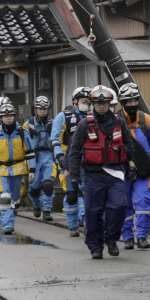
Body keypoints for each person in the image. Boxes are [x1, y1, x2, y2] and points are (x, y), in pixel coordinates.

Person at [67, 85, 139, 259]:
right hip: (93, 174)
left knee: (119, 206)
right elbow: (74, 151)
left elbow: (128, 144)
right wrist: (74, 176)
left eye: (104, 103)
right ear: (93, 104)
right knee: (93, 211)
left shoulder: (119, 123)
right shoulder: (85, 125)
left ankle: (112, 239)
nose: (101, 106)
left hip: (116, 172)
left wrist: (131, 165)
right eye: (98, 103)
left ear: (109, 104)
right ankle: (95, 247)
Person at [118, 83, 150, 250]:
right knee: (124, 204)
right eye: (128, 101)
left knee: (143, 202)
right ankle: (127, 237)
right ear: (122, 102)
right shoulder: (115, 120)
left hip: (143, 170)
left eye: (134, 100)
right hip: (122, 170)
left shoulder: (147, 120)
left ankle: (141, 237)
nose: (132, 104)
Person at [0, 102, 35, 235]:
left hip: (18, 170)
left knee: (15, 199)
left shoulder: (22, 132)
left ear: (14, 116)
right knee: (5, 197)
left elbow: (30, 152)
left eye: (11, 115)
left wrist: (32, 170)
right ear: (0, 118)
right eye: (5, 116)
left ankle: (11, 216)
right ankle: (7, 225)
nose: (8, 118)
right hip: (1, 170)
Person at [52, 86, 91, 237]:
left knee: (87, 193)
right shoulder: (63, 117)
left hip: (87, 161)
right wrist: (60, 158)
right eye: (83, 101)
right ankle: (73, 225)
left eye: (88, 102)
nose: (86, 105)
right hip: (68, 161)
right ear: (75, 100)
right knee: (72, 194)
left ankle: (87, 224)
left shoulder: (92, 117)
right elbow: (55, 140)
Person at [23, 96, 56, 221]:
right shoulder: (28, 124)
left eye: (44, 109)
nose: (42, 111)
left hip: (48, 155)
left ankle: (47, 211)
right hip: (33, 157)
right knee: (34, 188)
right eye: (40, 108)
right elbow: (23, 142)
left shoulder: (53, 123)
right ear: (35, 109)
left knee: (48, 185)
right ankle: (37, 205)